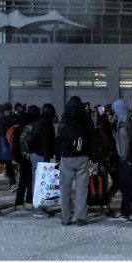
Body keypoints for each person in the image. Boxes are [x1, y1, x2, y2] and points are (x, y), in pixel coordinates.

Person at [56, 96, 91, 226]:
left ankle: (65, 217)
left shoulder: (64, 121)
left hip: (67, 158)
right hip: (83, 157)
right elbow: (92, 138)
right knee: (82, 189)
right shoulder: (85, 120)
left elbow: (58, 140)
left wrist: (57, 154)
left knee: (65, 189)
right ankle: (80, 217)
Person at [111, 98, 132, 222]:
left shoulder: (130, 121)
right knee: (125, 186)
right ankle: (125, 211)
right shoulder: (120, 121)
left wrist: (129, 158)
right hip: (123, 158)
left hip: (131, 159)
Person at [27, 102, 57, 219]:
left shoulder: (39, 123)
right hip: (42, 156)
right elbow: (46, 143)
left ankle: (39, 207)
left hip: (36, 154)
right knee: (40, 183)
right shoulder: (47, 125)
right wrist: (47, 159)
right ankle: (38, 209)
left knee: (37, 182)